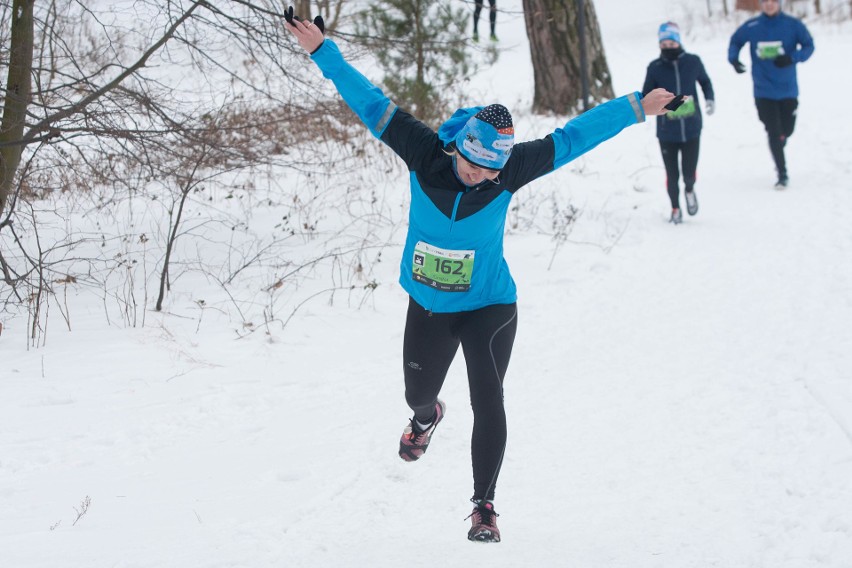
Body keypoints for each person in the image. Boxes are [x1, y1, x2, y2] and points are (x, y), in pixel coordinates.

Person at [284, 7, 675, 543]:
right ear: (460, 148)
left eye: (490, 171)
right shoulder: (424, 153)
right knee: (417, 391)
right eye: (473, 166)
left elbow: (574, 136)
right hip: (428, 305)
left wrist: (636, 107)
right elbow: (371, 101)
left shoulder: (509, 170)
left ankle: (483, 505)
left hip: (490, 304)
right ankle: (425, 419)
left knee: (488, 395)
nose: (480, 177)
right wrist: (322, 52)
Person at [728, 0, 814, 189]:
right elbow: (735, 41)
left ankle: (778, 145)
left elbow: (809, 46)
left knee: (786, 130)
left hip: (787, 89)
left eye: (773, 1)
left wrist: (792, 58)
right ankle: (782, 173)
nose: (769, 4)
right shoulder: (752, 26)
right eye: (765, 1)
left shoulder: (792, 25)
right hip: (763, 89)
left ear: (779, 3)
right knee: (774, 132)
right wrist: (733, 59)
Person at [642, 22, 715, 224]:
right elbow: (646, 94)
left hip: (692, 128)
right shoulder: (655, 67)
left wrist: (709, 98)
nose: (667, 47)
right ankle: (675, 208)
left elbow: (705, 82)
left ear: (678, 42)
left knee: (688, 173)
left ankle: (690, 190)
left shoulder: (693, 62)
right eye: (663, 43)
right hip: (667, 131)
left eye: (671, 42)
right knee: (672, 175)